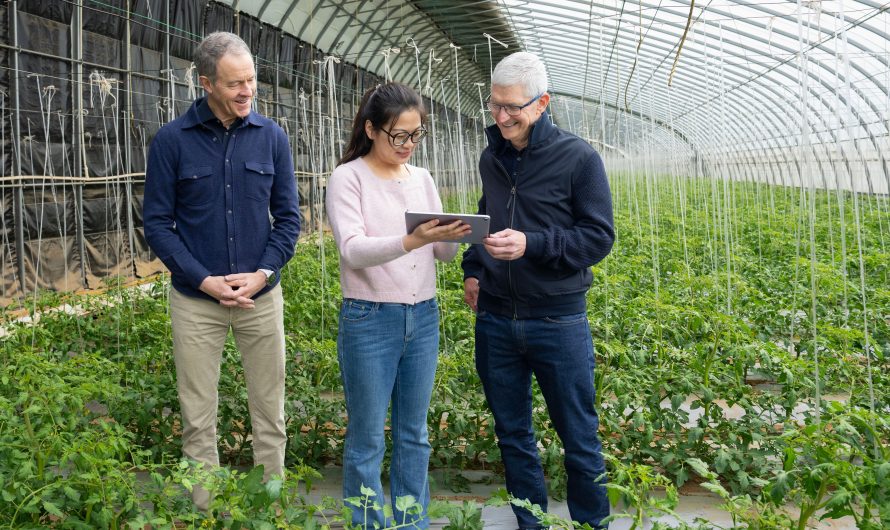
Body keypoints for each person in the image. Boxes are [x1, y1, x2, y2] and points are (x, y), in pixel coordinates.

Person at [143, 31, 300, 511]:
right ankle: (205, 512)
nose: (246, 91)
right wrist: (202, 279)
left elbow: (290, 219)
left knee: (270, 412)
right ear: (206, 81)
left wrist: (264, 271)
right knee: (197, 416)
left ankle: (269, 510)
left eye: (250, 80)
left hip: (260, 298)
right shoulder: (172, 141)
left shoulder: (272, 137)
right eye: (235, 83)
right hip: (197, 303)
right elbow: (157, 224)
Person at [461, 52, 615, 530]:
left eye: (513, 107)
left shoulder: (579, 158)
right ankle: (531, 523)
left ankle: (593, 524)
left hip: (558, 320)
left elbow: (598, 236)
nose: (503, 117)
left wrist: (533, 244)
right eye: (495, 106)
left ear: (543, 102)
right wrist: (472, 267)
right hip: (496, 319)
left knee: (579, 436)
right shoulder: (492, 157)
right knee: (512, 434)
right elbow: (487, 212)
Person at [325, 82, 470, 529]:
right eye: (398, 135)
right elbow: (352, 250)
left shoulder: (421, 179)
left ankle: (412, 523)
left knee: (414, 435)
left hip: (422, 315)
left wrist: (452, 238)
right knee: (367, 438)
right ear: (371, 130)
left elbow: (439, 255)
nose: (407, 144)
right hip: (370, 317)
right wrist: (413, 239)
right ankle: (368, 523)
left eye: (415, 134)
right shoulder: (348, 177)